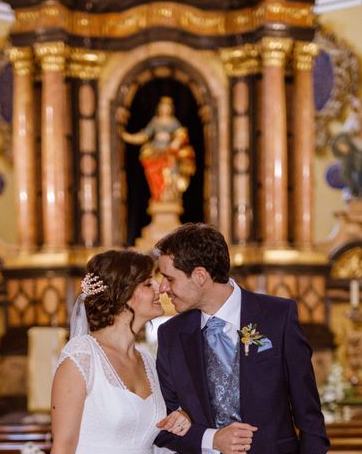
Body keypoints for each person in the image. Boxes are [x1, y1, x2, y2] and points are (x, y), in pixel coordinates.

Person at [153, 224, 329, 454]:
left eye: (169, 278)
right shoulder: (172, 334)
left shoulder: (278, 317)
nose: (163, 288)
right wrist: (211, 439)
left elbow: (309, 416)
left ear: (200, 276)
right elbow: (162, 421)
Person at [51, 249, 192, 454]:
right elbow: (62, 448)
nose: (160, 289)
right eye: (147, 283)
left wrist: (182, 418)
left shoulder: (148, 362)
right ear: (123, 293)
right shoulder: (81, 358)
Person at [121, 97, 195, 202]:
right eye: (162, 107)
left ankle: (170, 196)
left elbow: (181, 135)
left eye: (167, 107)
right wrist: (129, 137)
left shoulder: (173, 122)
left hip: (169, 153)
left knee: (171, 173)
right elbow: (144, 135)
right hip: (156, 152)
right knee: (154, 173)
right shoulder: (155, 122)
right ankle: (159, 196)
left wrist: (176, 142)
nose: (165, 109)